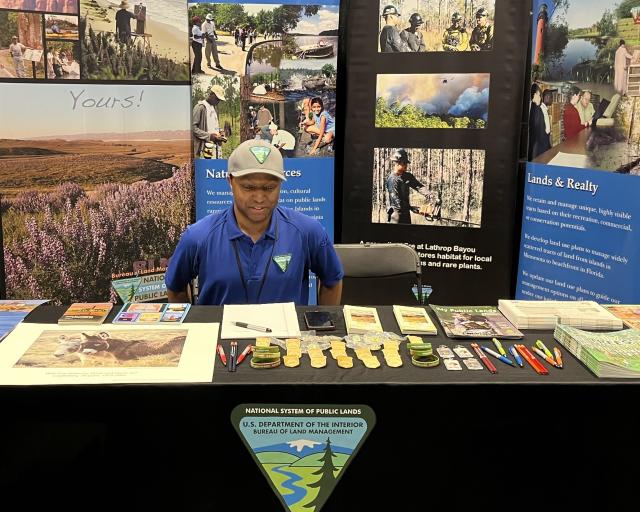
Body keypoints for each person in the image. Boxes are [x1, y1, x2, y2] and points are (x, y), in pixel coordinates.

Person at [165, 139, 344, 305]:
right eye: (248, 187)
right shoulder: (198, 237)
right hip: (218, 338)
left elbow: (332, 280)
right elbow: (176, 287)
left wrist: (322, 329)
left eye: (269, 188)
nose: (259, 198)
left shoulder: (308, 231)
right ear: (230, 181)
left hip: (287, 340)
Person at [385, 148, 431, 224]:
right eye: (404, 163)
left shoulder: (407, 176)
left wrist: (431, 196)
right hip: (396, 216)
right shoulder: (392, 180)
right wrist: (411, 208)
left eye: (406, 163)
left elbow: (419, 186)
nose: (406, 165)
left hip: (406, 214)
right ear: (397, 163)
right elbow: (397, 203)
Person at [192, 84, 227, 158]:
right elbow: (193, 128)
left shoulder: (214, 108)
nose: (218, 101)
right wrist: (210, 136)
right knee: (208, 167)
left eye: (220, 100)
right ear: (211, 94)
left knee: (216, 167)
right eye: (217, 99)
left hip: (216, 146)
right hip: (206, 147)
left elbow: (214, 125)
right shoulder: (200, 107)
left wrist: (220, 131)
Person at [528, 84, 549, 160]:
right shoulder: (536, 109)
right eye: (539, 95)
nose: (540, 98)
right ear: (534, 95)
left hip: (538, 146)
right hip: (538, 147)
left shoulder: (534, 108)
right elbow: (538, 130)